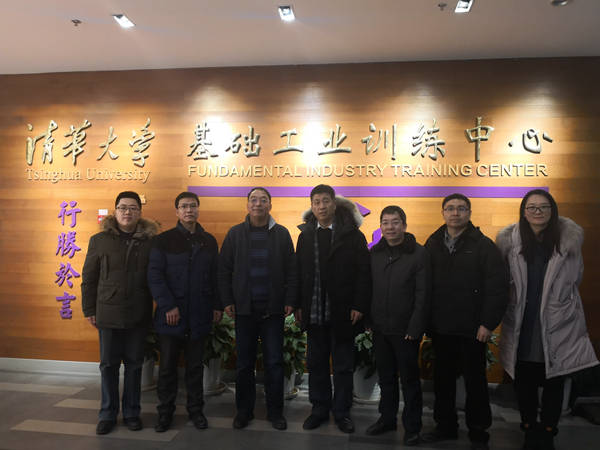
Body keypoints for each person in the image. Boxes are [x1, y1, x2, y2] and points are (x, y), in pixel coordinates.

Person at [496, 189, 599, 450]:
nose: (538, 212)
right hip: (523, 320)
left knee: (555, 379)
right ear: (523, 212)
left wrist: (559, 303)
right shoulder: (511, 242)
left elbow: (576, 278)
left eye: (543, 207)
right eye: (531, 207)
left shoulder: (567, 241)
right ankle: (529, 428)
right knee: (524, 381)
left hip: (558, 321)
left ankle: (549, 431)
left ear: (552, 211)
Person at [422, 193, 508, 450]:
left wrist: (487, 323)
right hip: (441, 327)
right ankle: (445, 426)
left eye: (461, 208)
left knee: (475, 381)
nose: (455, 213)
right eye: (450, 208)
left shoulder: (483, 245)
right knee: (443, 380)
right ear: (443, 213)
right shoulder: (433, 243)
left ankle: (478, 430)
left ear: (469, 213)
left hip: (473, 328)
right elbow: (424, 286)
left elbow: (497, 288)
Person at [218, 187, 297, 431]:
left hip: (273, 311)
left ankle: (275, 412)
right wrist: (227, 300)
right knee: (244, 364)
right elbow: (224, 270)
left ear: (270, 205)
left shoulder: (281, 234)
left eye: (263, 200)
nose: (258, 204)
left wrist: (290, 300)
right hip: (244, 310)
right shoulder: (235, 234)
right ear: (247, 205)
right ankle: (244, 411)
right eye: (254, 200)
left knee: (274, 363)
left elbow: (292, 271)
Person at [81, 191, 158, 435]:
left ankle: (132, 413)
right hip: (108, 312)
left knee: (135, 366)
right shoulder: (99, 240)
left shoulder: (150, 242)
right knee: (108, 366)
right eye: (123, 207)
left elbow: (157, 278)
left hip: (138, 312)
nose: (127, 212)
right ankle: (107, 414)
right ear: (115, 211)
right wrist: (89, 309)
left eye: (133, 208)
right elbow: (89, 277)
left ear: (140, 213)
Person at [296, 184, 371, 434]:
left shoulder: (353, 236)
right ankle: (319, 410)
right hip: (314, 312)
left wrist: (359, 304)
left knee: (342, 366)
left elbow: (363, 274)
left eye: (325, 201)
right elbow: (298, 273)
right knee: (316, 364)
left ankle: (342, 412)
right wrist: (299, 305)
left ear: (334, 204)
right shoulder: (305, 235)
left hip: (343, 312)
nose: (321, 206)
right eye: (316, 202)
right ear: (312, 206)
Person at [148, 192, 221, 432]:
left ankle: (196, 411)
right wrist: (168, 306)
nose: (189, 210)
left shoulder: (208, 241)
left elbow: (216, 276)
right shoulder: (163, 240)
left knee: (195, 368)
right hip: (171, 316)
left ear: (198, 209)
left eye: (193, 206)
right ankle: (165, 413)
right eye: (184, 206)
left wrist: (217, 305)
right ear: (177, 211)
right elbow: (155, 276)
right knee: (167, 368)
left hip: (199, 315)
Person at [366, 205, 430, 446]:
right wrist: (369, 320)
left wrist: (415, 327)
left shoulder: (419, 253)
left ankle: (412, 428)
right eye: (385, 223)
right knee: (386, 378)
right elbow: (368, 287)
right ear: (381, 226)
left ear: (404, 225)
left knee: (410, 381)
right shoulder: (375, 253)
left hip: (406, 331)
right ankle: (387, 419)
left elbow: (423, 294)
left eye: (395, 222)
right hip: (380, 328)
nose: (390, 227)